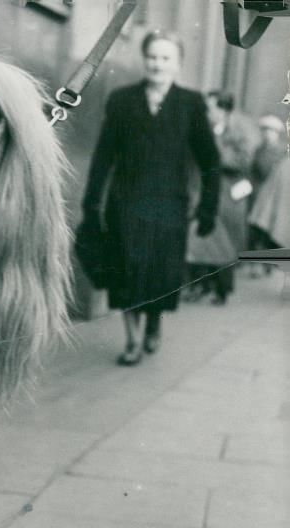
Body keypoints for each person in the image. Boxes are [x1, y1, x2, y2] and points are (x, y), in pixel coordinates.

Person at [81, 29, 220, 365]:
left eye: (166, 58)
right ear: (144, 60)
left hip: (169, 206)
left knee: (159, 274)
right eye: (153, 57)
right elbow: (103, 157)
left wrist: (207, 208)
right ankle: (131, 341)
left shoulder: (190, 104)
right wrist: (92, 203)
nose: (158, 64)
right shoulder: (122, 101)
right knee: (127, 270)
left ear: (178, 64)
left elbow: (209, 160)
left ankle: (153, 324)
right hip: (126, 203)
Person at [186, 92, 256, 305]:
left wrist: (214, 147)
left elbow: (243, 161)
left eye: (212, 108)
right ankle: (200, 285)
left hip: (228, 195)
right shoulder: (202, 128)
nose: (208, 113)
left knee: (224, 243)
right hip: (205, 191)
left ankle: (222, 289)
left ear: (223, 110)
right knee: (200, 238)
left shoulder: (238, 132)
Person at [248, 115, 287, 269]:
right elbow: (252, 170)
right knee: (258, 228)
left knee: (273, 227)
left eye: (270, 131)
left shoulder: (282, 152)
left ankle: (270, 262)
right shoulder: (259, 150)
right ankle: (259, 262)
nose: (267, 134)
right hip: (258, 192)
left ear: (277, 133)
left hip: (276, 196)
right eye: (264, 131)